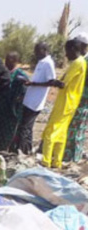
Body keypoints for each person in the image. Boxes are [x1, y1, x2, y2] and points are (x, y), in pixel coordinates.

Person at [42, 40, 87, 169]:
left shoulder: (77, 63)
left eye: (67, 51)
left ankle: (45, 161)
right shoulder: (82, 63)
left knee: (51, 131)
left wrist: (52, 82)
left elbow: (63, 84)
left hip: (65, 102)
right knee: (61, 133)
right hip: (71, 103)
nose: (66, 55)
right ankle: (57, 161)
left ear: (73, 49)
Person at [0, 52, 30, 152]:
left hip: (10, 110)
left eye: (10, 60)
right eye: (6, 59)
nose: (7, 62)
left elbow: (22, 94)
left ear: (16, 61)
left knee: (5, 134)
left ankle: (2, 152)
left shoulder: (21, 76)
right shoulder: (2, 72)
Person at [18, 43, 59, 155]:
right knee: (28, 128)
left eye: (37, 50)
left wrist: (33, 83)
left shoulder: (48, 63)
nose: (35, 53)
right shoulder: (41, 62)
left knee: (24, 128)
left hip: (35, 101)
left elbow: (51, 82)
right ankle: (27, 150)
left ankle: (22, 151)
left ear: (44, 50)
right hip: (30, 99)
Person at [64, 33, 88, 163]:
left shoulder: (85, 60)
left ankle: (73, 156)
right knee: (72, 126)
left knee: (78, 128)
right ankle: (67, 155)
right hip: (75, 98)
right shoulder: (80, 60)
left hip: (83, 99)